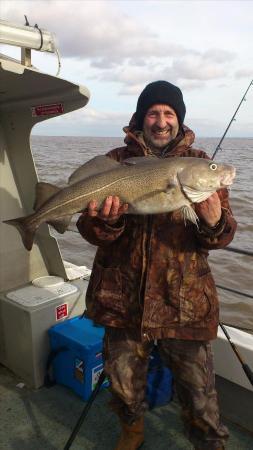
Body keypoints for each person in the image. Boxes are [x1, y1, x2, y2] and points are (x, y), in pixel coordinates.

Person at [76, 81, 237, 450]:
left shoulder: (199, 166)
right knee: (123, 384)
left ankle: (209, 442)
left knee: (200, 398)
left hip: (185, 304)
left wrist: (213, 222)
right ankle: (131, 432)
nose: (161, 121)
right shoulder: (115, 162)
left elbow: (223, 236)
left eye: (169, 113)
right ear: (140, 118)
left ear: (178, 120)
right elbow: (90, 231)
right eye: (153, 112)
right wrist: (108, 220)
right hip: (122, 302)